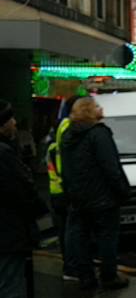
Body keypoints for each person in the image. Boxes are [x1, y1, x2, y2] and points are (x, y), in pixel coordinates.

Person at [60, 97, 129, 291]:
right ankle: (109, 276)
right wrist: (123, 191)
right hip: (103, 198)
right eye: (97, 106)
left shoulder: (68, 135)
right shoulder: (99, 133)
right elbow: (111, 167)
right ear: (89, 111)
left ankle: (86, 277)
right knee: (107, 237)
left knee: (81, 238)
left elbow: (66, 169)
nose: (101, 108)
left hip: (79, 198)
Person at [0, 100, 43, 298]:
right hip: (7, 233)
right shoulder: (3, 154)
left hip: (7, 231)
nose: (15, 123)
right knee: (5, 291)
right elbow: (21, 191)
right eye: (11, 119)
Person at [45, 96, 77, 280]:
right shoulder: (68, 129)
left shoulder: (54, 136)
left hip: (56, 190)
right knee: (72, 230)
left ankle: (70, 265)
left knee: (66, 230)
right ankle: (72, 268)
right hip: (66, 191)